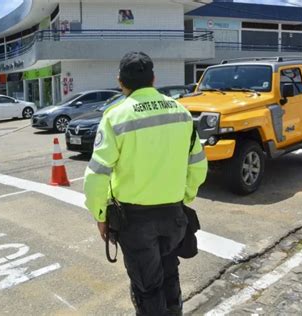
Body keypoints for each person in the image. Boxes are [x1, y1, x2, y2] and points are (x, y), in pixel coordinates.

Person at [83, 52, 208, 315]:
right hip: (174, 214)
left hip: (135, 221)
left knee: (147, 288)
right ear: (154, 78)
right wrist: (184, 197)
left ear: (120, 82)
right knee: (170, 275)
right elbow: (197, 165)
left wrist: (100, 214)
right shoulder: (181, 112)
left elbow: (96, 174)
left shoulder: (115, 116)